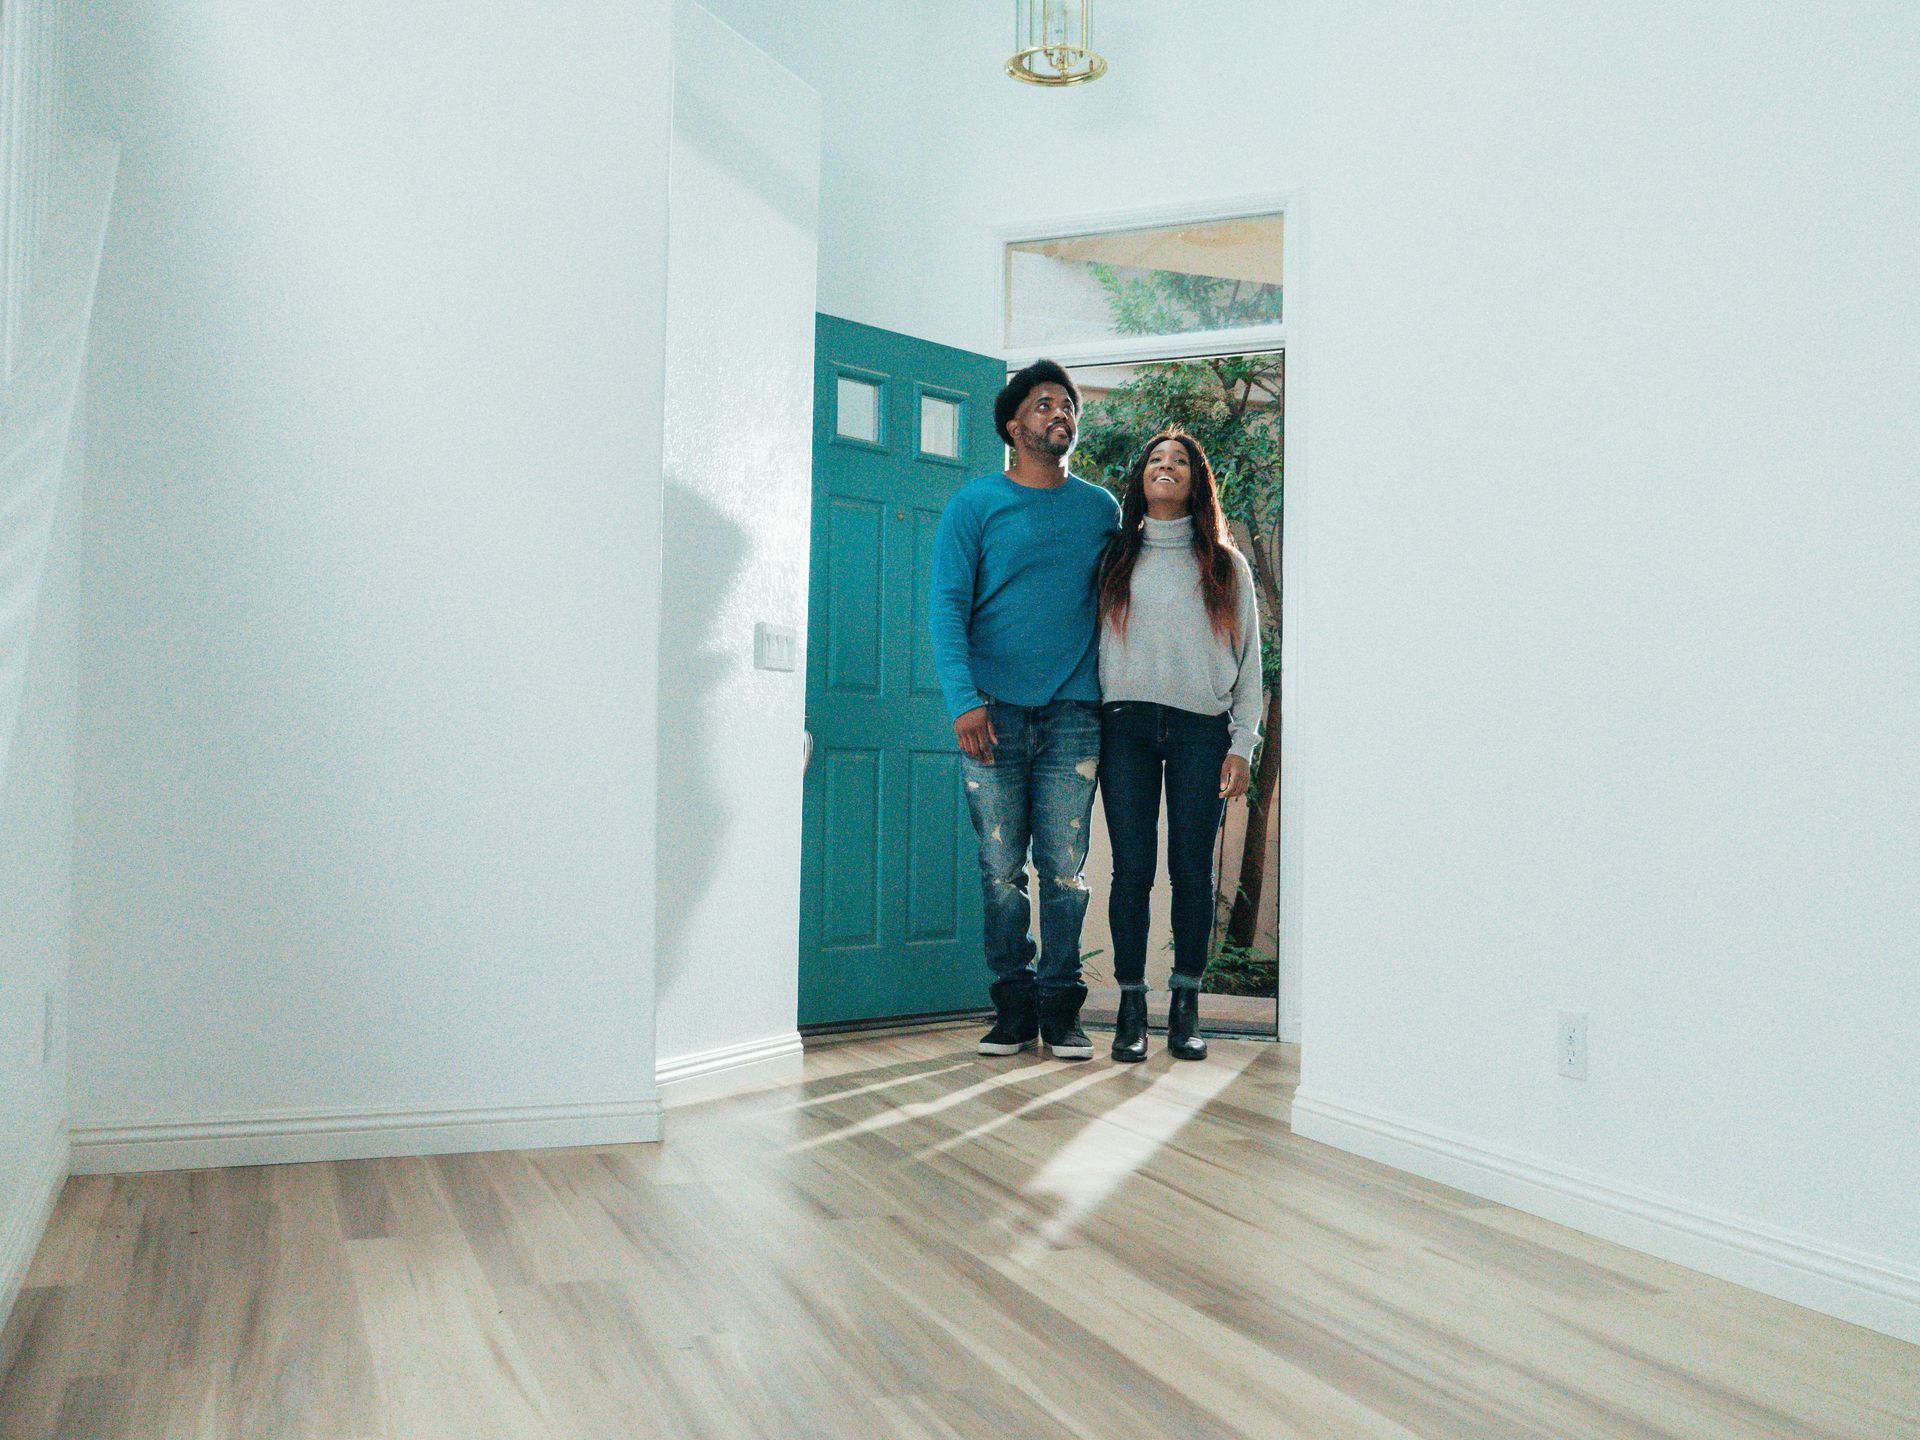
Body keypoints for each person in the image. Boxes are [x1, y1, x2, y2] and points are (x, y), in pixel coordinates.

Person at [928, 360, 1121, 1060]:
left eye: (1067, 405)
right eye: (1043, 404)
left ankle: (1061, 1008)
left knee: (1065, 870)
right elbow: (947, 606)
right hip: (992, 713)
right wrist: (963, 703)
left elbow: (1121, 605)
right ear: (1014, 426)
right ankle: (1012, 1006)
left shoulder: (1101, 510)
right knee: (1001, 869)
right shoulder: (974, 505)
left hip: (1075, 712)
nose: (1059, 414)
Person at [1095, 431, 1263, 1062]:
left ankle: (1185, 1008)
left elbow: (1249, 669)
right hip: (1125, 729)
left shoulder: (1226, 564)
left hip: (1202, 731)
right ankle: (1132, 1010)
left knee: (1191, 871)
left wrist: (1242, 744)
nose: (1166, 467)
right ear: (1141, 477)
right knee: (1132, 869)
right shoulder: (1114, 556)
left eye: (1180, 462)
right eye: (1156, 460)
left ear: (1197, 481)